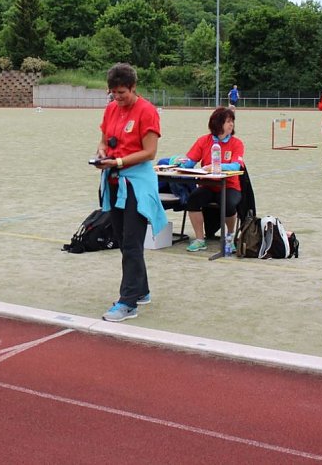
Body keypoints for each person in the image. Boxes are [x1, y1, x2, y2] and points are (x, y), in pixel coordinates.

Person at [94, 63, 166, 323]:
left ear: (134, 88)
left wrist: (120, 162)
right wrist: (102, 153)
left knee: (133, 243)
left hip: (137, 184)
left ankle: (128, 302)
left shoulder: (147, 111)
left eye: (122, 92)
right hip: (114, 181)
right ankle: (142, 290)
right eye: (113, 93)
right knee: (124, 240)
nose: (117, 98)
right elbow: (103, 140)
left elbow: (150, 152)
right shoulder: (111, 108)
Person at [175, 107, 244, 253]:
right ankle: (200, 239)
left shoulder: (236, 143)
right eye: (227, 122)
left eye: (232, 122)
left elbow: (237, 165)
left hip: (229, 186)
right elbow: (190, 161)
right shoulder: (203, 141)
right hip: (208, 186)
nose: (231, 125)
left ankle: (230, 238)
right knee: (193, 200)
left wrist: (217, 166)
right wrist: (178, 162)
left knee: (229, 203)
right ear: (217, 124)